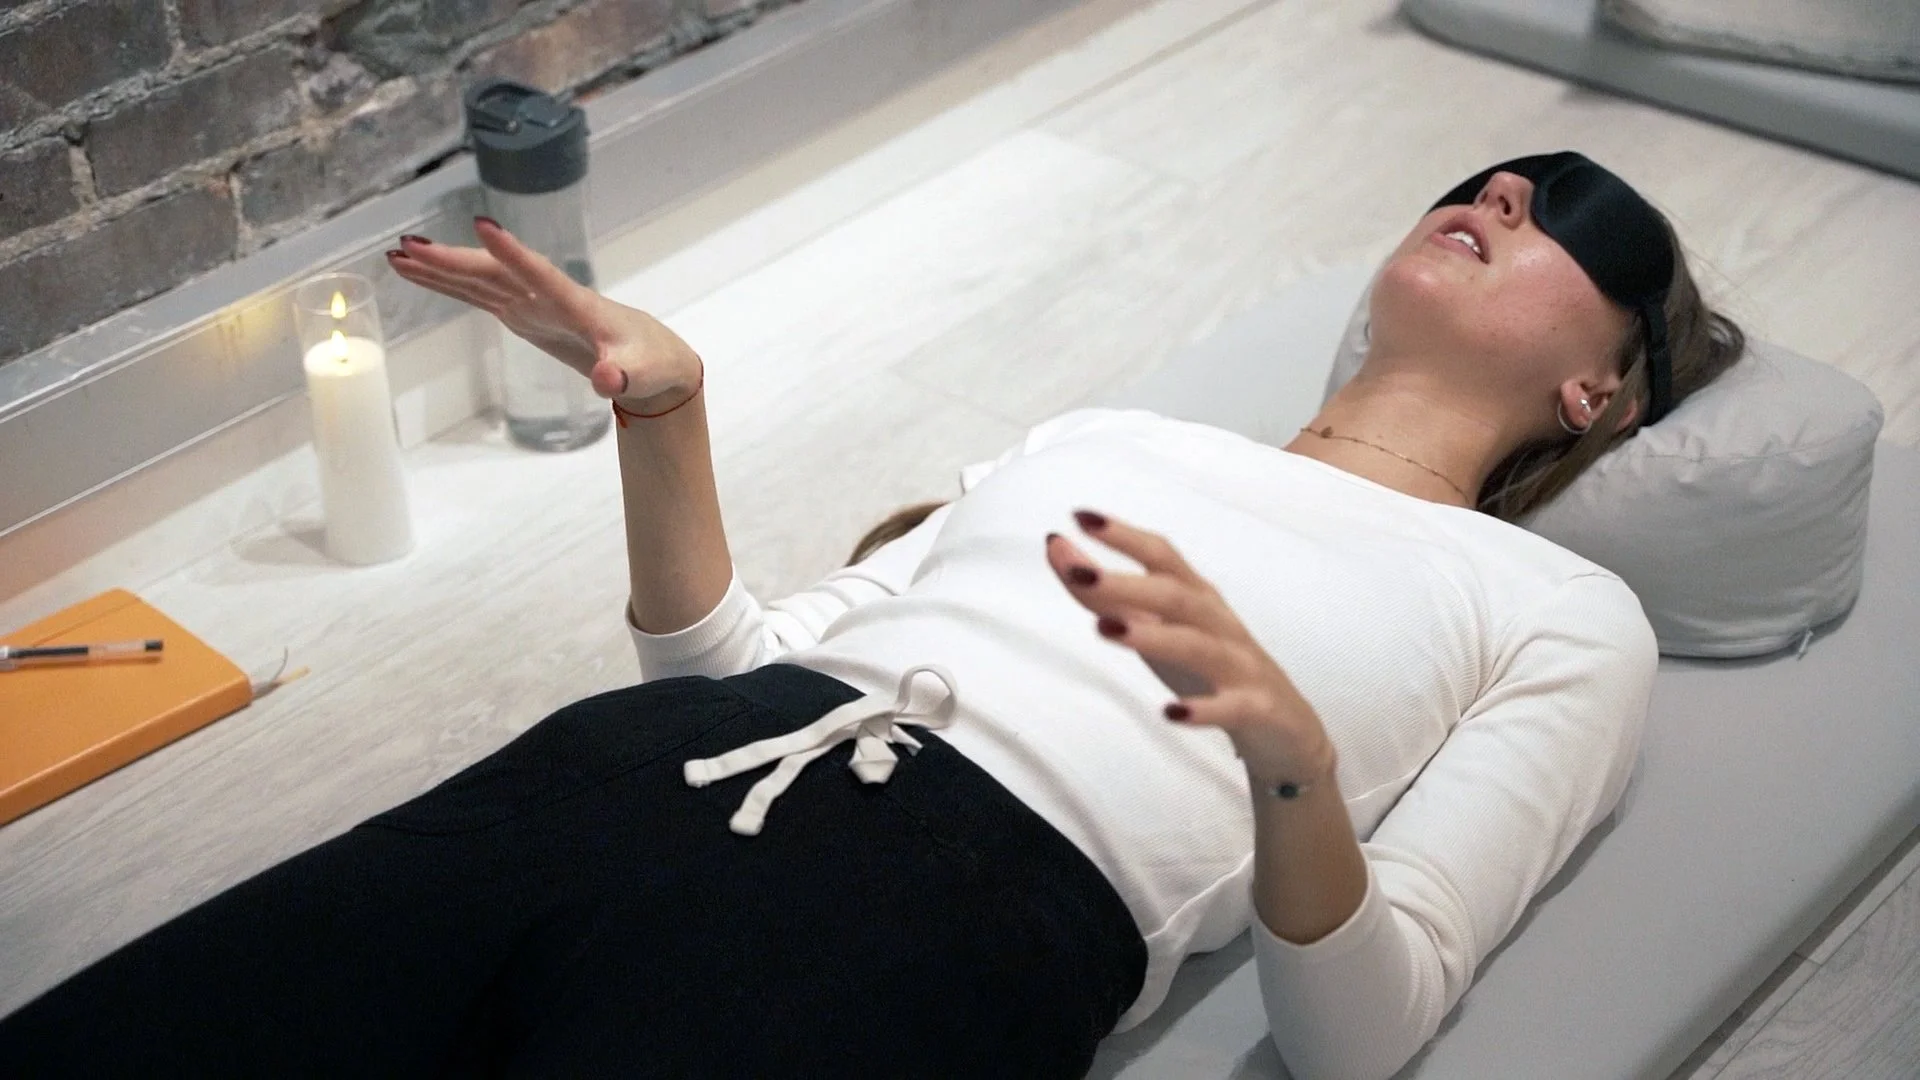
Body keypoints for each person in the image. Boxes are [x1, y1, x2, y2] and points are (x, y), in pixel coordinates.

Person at [0, 152, 1745, 1080]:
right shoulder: (1115, 436)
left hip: (956, 923)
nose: (1502, 194)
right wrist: (665, 413)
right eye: (1495, 178)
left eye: (1565, 217)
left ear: (1600, 391)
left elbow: (1361, 1037)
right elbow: (732, 674)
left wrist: (1289, 759)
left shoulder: (1561, 610)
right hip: (638, 775)